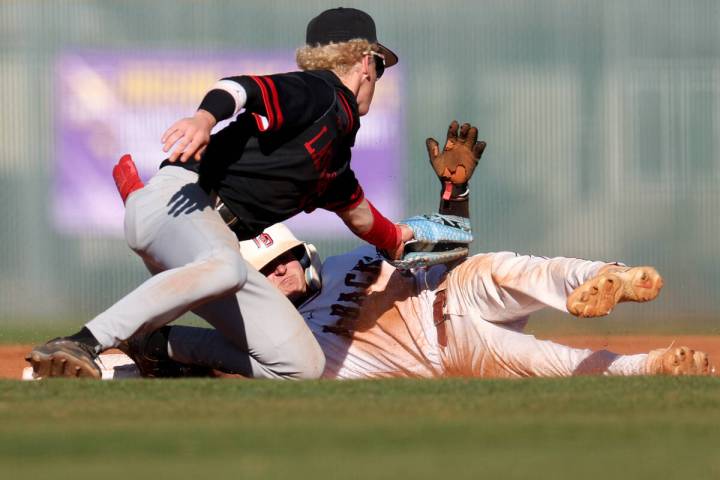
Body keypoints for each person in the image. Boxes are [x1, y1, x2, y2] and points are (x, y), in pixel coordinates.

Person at [114, 123, 713, 379]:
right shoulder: (284, 344)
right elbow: (203, 343)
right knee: (541, 360)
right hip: (446, 348)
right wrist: (151, 345)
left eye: (283, 261)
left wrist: (455, 194)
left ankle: (609, 277)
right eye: (269, 272)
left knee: (506, 266)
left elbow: (441, 255)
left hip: (447, 290)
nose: (283, 276)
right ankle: (652, 366)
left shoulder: (349, 261)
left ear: (301, 252)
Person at [26, 7, 415, 379]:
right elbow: (239, 88)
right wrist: (203, 118)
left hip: (206, 244)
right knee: (226, 264)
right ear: (366, 61)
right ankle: (83, 342)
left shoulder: (334, 153)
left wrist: (399, 239)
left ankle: (155, 344)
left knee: (301, 365)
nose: (378, 77)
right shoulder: (320, 92)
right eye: (380, 66)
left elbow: (360, 215)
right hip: (182, 201)